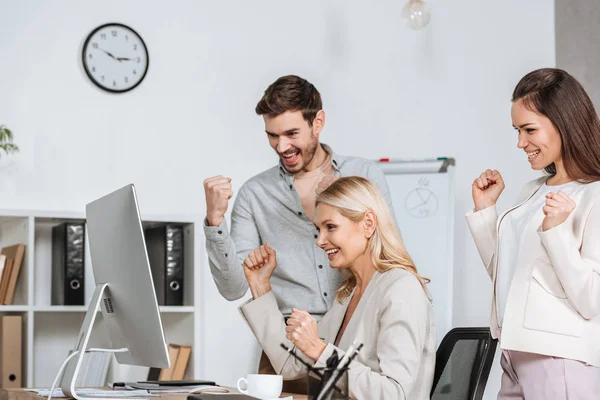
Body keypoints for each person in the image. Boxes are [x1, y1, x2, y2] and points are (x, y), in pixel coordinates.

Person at [203, 76, 395, 389]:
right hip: (285, 353)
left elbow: (387, 257)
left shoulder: (364, 176)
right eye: (272, 136)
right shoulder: (255, 194)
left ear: (317, 121)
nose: (282, 146)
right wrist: (215, 223)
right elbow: (233, 288)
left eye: (292, 133)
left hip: (353, 342)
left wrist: (342, 203)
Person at [467, 68, 600, 399]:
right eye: (517, 130)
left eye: (529, 130)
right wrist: (486, 213)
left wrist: (556, 233)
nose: (520, 143)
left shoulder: (594, 195)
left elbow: (592, 299)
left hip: (560, 356)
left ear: (563, 123)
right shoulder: (532, 190)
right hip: (514, 351)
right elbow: (511, 274)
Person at [239, 176, 435, 399]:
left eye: (330, 227)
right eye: (318, 229)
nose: (320, 240)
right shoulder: (348, 294)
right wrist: (260, 285)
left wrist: (319, 349)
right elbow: (290, 364)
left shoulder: (401, 289)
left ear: (368, 224)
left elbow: (394, 393)